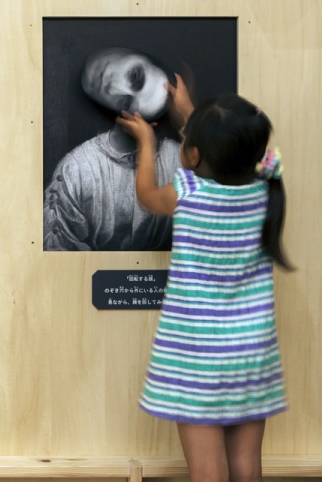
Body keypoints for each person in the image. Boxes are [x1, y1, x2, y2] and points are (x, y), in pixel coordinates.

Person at [117, 75, 292, 482]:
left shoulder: (187, 192)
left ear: (193, 155)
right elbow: (228, 152)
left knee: (208, 472)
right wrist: (192, 114)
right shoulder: (264, 190)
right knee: (247, 466)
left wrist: (145, 141)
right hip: (251, 354)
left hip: (198, 357)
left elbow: (146, 195)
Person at [44, 48, 181, 251]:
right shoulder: (77, 169)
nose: (114, 88)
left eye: (126, 102)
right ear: (140, 53)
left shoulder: (179, 163)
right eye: (135, 76)